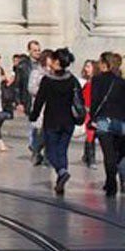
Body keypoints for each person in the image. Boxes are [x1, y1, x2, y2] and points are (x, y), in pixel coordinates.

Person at [31, 48, 80, 195]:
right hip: (68, 121)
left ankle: (62, 171)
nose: (50, 62)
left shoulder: (48, 80)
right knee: (62, 151)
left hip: (52, 121)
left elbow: (40, 100)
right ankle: (61, 180)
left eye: (52, 59)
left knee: (51, 152)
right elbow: (79, 100)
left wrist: (34, 115)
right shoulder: (72, 80)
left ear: (57, 62)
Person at [90, 52, 125, 196]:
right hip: (121, 121)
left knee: (109, 155)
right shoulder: (121, 82)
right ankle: (123, 181)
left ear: (105, 63)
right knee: (121, 153)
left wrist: (93, 118)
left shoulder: (97, 80)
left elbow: (95, 100)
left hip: (104, 121)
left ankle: (111, 184)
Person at [28, 47, 52, 165]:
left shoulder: (54, 73)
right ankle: (36, 151)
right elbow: (31, 88)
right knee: (41, 133)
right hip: (41, 106)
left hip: (52, 106)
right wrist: (44, 91)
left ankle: (48, 156)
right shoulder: (36, 72)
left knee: (50, 132)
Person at [82, 59, 98, 168]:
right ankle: (90, 158)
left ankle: (88, 156)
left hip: (93, 111)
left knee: (91, 134)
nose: (86, 69)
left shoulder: (96, 82)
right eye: (85, 66)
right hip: (86, 111)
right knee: (90, 134)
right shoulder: (85, 82)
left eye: (88, 66)